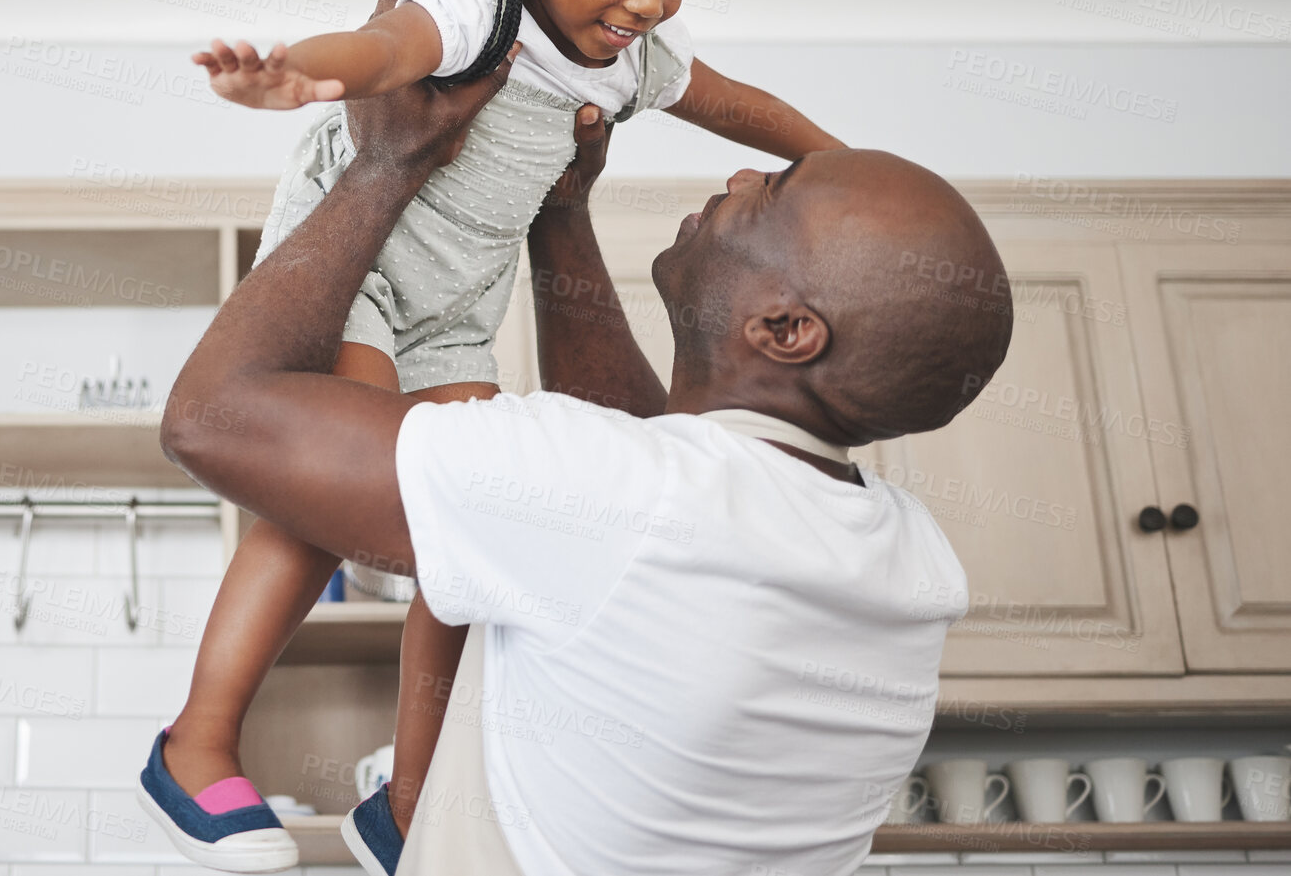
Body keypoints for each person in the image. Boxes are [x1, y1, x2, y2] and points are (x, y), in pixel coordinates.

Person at [143, 0, 845, 872]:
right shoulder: (479, 5)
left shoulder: (626, 63)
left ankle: (410, 799)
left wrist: (847, 168)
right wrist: (304, 77)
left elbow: (738, 103)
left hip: (455, 310)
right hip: (357, 272)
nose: (652, 2)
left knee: (485, 524)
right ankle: (196, 743)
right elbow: (384, 46)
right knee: (323, 492)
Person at [143, 51, 1014, 875]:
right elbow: (654, 460)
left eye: (772, 194)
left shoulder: (627, 502)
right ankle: (402, 811)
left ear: (786, 330)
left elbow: (214, 420)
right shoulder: (909, 561)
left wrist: (383, 164)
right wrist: (560, 209)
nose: (744, 173)